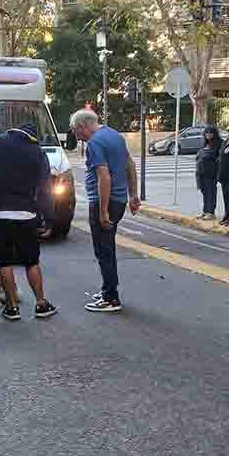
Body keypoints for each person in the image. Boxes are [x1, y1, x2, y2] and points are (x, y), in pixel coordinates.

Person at [0, 122, 57, 321]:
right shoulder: (37, 152)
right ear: (31, 136)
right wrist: (49, 219)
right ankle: (41, 304)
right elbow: (45, 189)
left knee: (4, 262)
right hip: (26, 215)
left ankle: (11, 308)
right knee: (31, 261)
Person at [70, 108, 141, 313]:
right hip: (118, 201)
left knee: (104, 251)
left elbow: (104, 177)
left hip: (105, 202)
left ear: (83, 126)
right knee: (107, 248)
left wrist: (102, 212)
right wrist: (133, 195)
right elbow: (129, 164)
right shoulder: (115, 135)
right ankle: (108, 292)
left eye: (76, 132)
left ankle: (111, 297)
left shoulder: (95, 143)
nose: (77, 137)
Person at [195, 126, 220, 221]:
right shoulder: (204, 144)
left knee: (211, 193)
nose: (208, 134)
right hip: (201, 172)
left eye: (210, 132)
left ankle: (211, 212)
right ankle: (205, 211)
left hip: (211, 173)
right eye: (206, 133)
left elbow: (219, 160)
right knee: (204, 192)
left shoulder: (218, 144)